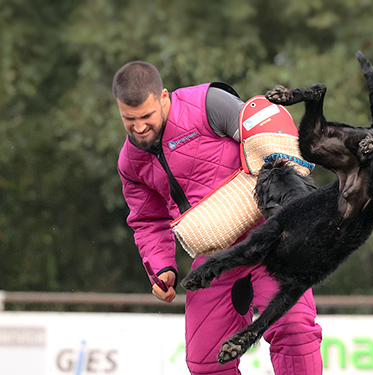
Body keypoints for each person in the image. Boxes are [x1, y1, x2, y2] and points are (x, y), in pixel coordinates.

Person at [112, 61, 323, 375]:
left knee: (294, 331)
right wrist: (162, 267)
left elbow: (265, 136)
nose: (139, 127)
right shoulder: (130, 163)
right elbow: (147, 220)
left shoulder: (207, 104)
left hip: (268, 238)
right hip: (215, 260)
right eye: (130, 119)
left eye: (146, 116)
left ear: (164, 98)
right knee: (205, 363)